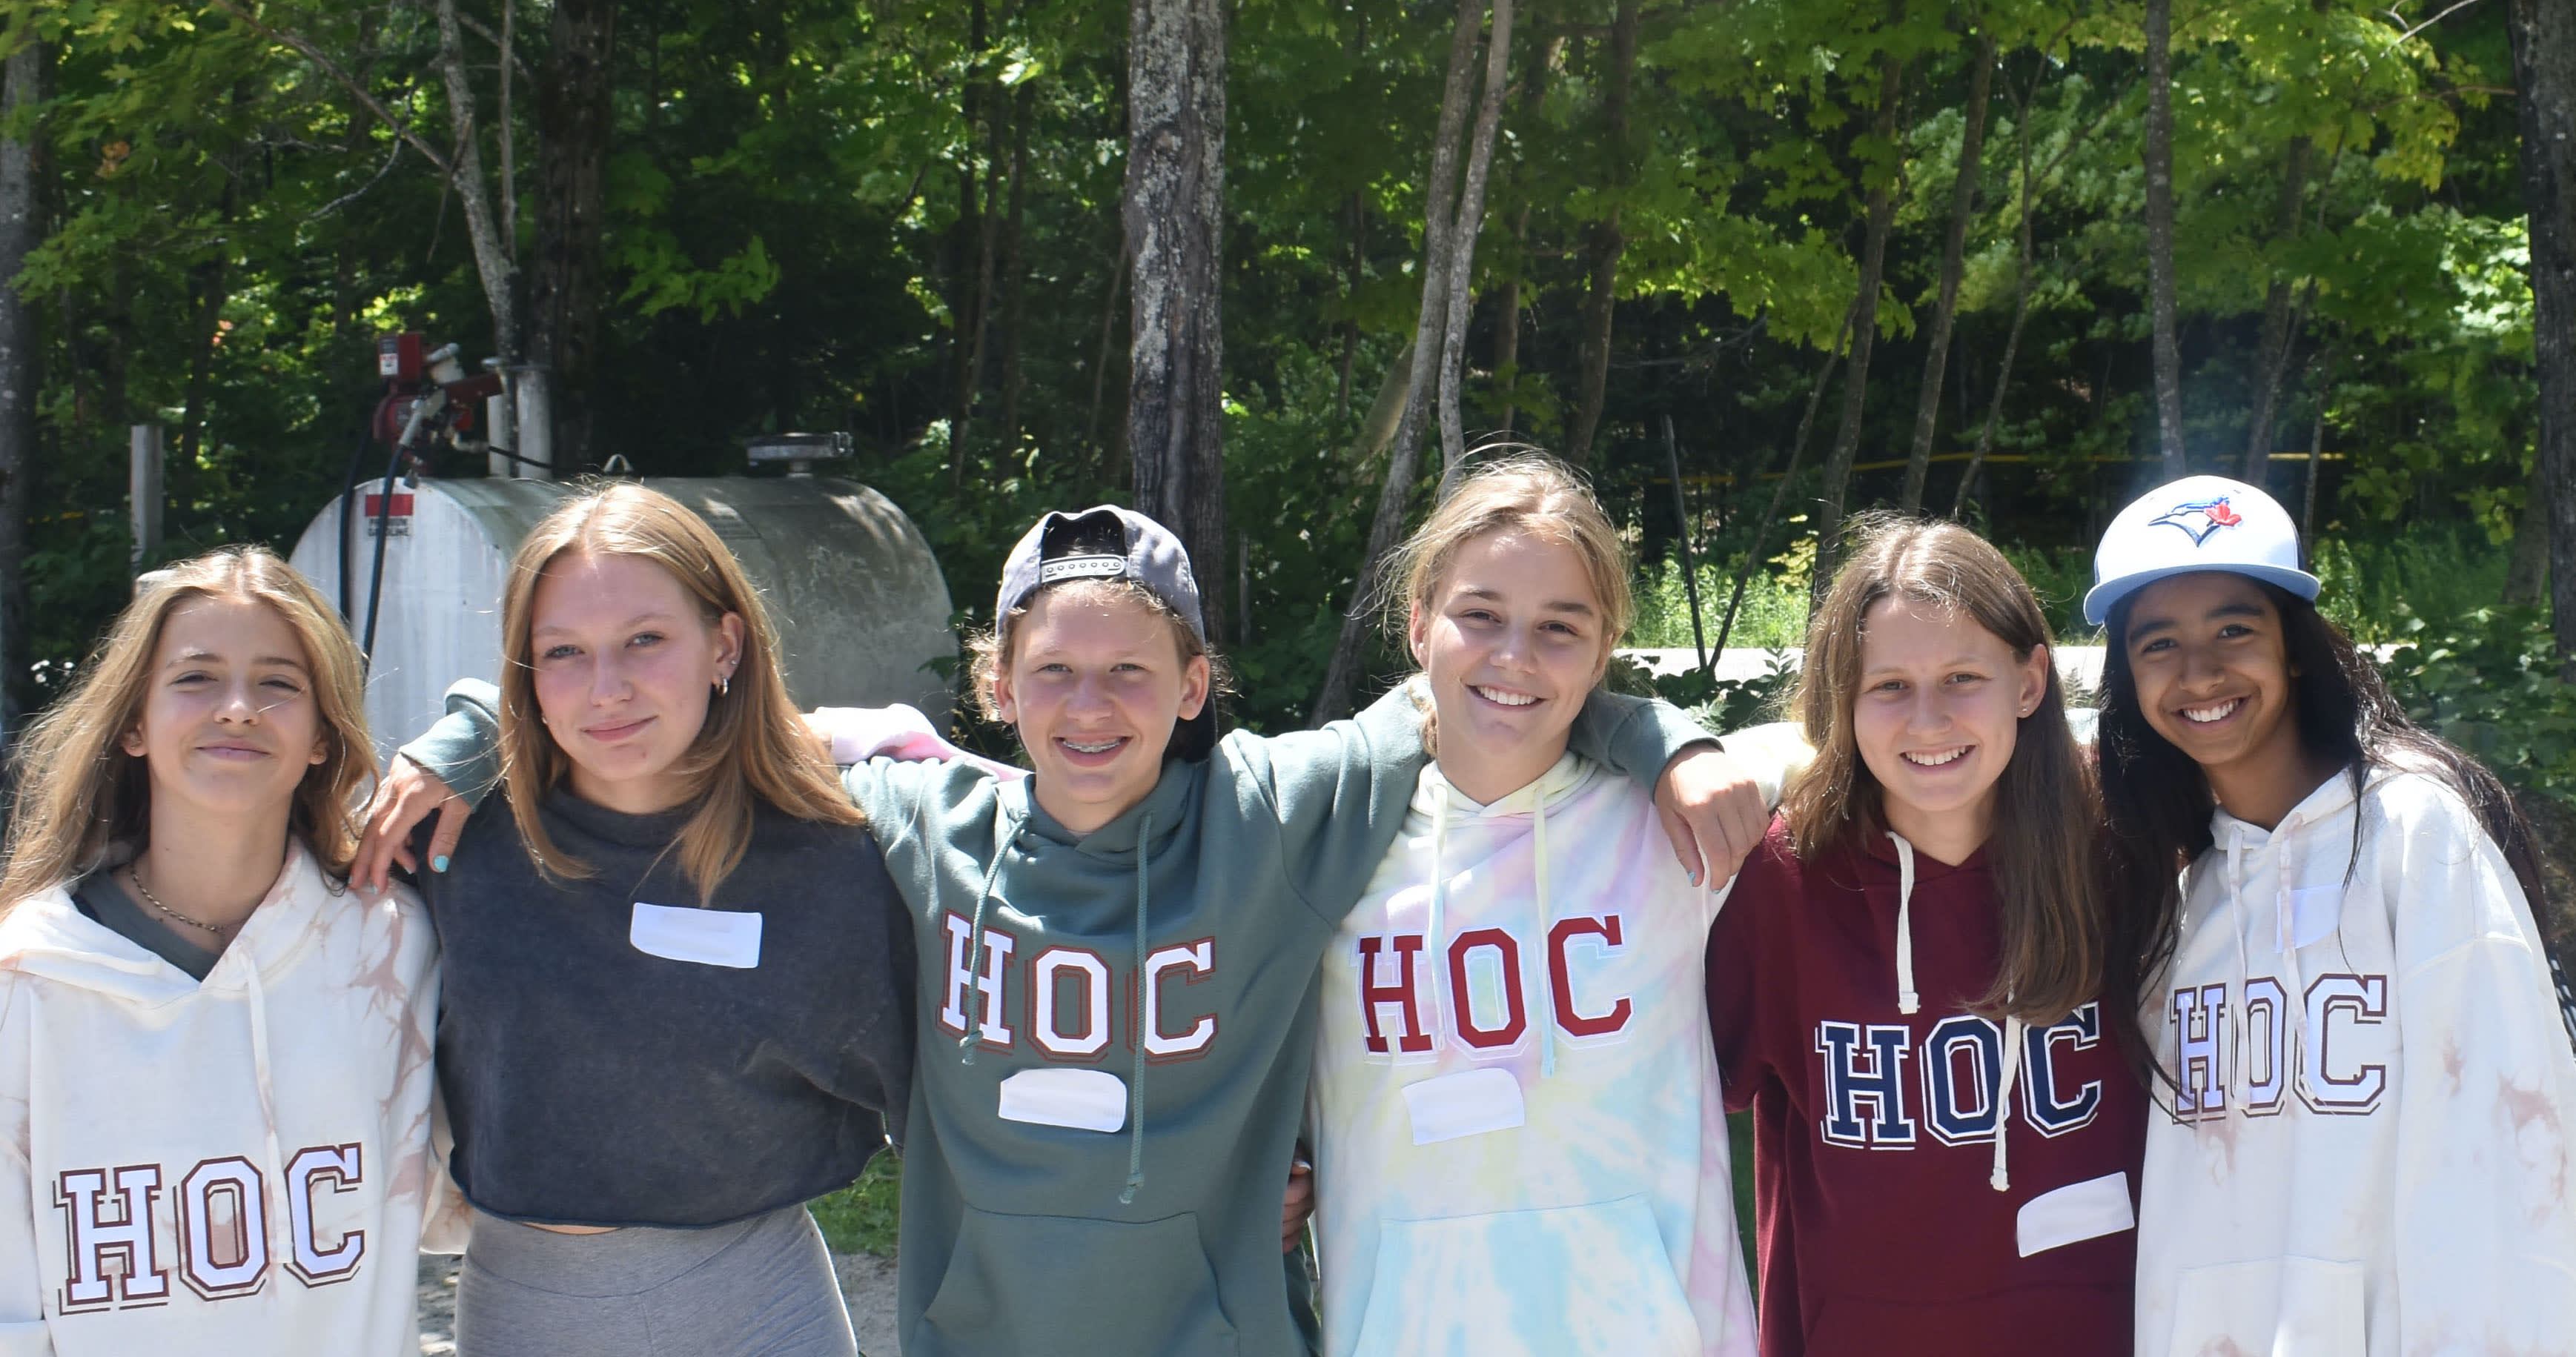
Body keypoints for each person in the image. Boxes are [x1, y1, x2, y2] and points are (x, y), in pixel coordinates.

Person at [365, 498, 1764, 1357]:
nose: (1089, 707)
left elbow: (1491, 673)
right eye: (1052, 672)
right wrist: (482, 726)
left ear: (1198, 679)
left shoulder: (1276, 809)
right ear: (994, 683)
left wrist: (1670, 737)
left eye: (1129, 672)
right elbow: (664, 710)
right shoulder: (916, 822)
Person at [379, 484, 912, 1357]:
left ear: (723, 643)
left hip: (762, 1309)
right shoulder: (455, 841)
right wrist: (470, 729)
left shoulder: (835, 856)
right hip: (525, 1310)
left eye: (645, 640)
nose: (607, 688)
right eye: (564, 652)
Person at [2088, 475, 2576, 1356]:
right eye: (2158, 643)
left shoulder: (2414, 834)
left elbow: (2510, 1150)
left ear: (2296, 645)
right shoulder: (2169, 888)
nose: (2198, 671)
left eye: (2233, 629)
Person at [1306, 454, 1757, 1356]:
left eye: (1560, 627)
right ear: (1417, 622)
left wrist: (1674, 740)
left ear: (1603, 652)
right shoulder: (1326, 844)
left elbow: (1881, 750)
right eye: (1480, 615)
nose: (1513, 656)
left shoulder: (1678, 824)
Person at [1704, 517, 2146, 1356]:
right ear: (1840, 698)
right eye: (1890, 686)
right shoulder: (1781, 879)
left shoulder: (2121, 856)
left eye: (1961, 677)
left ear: (2028, 680)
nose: (1929, 719)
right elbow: (1659, 1101)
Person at [0, 546, 448, 1355]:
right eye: (195, 677)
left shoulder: (392, 947)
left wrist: (476, 743)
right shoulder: (27, 977)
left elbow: (479, 1204)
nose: (238, 707)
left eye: (279, 682)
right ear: (135, 722)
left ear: (322, 736)